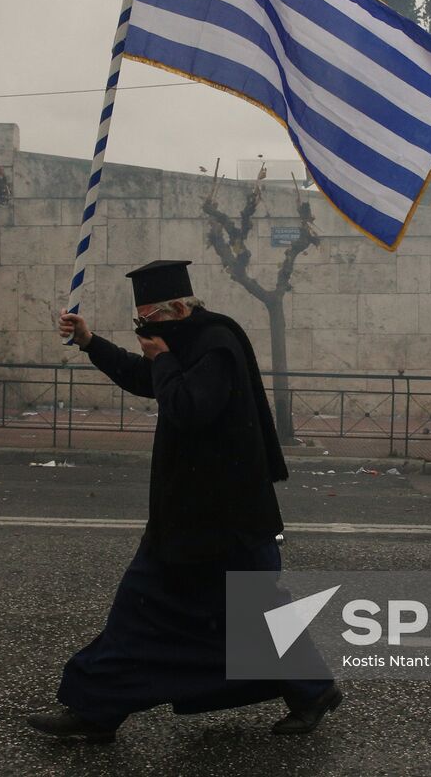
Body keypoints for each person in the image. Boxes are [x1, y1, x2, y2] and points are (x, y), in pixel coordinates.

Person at [26, 260, 341, 742]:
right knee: (139, 609)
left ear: (174, 311)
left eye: (146, 323)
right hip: (184, 516)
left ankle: (313, 691)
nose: (143, 333)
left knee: (252, 611)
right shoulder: (184, 343)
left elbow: (190, 408)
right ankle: (95, 708)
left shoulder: (216, 344)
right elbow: (146, 379)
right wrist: (91, 343)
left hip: (229, 516)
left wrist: (163, 360)